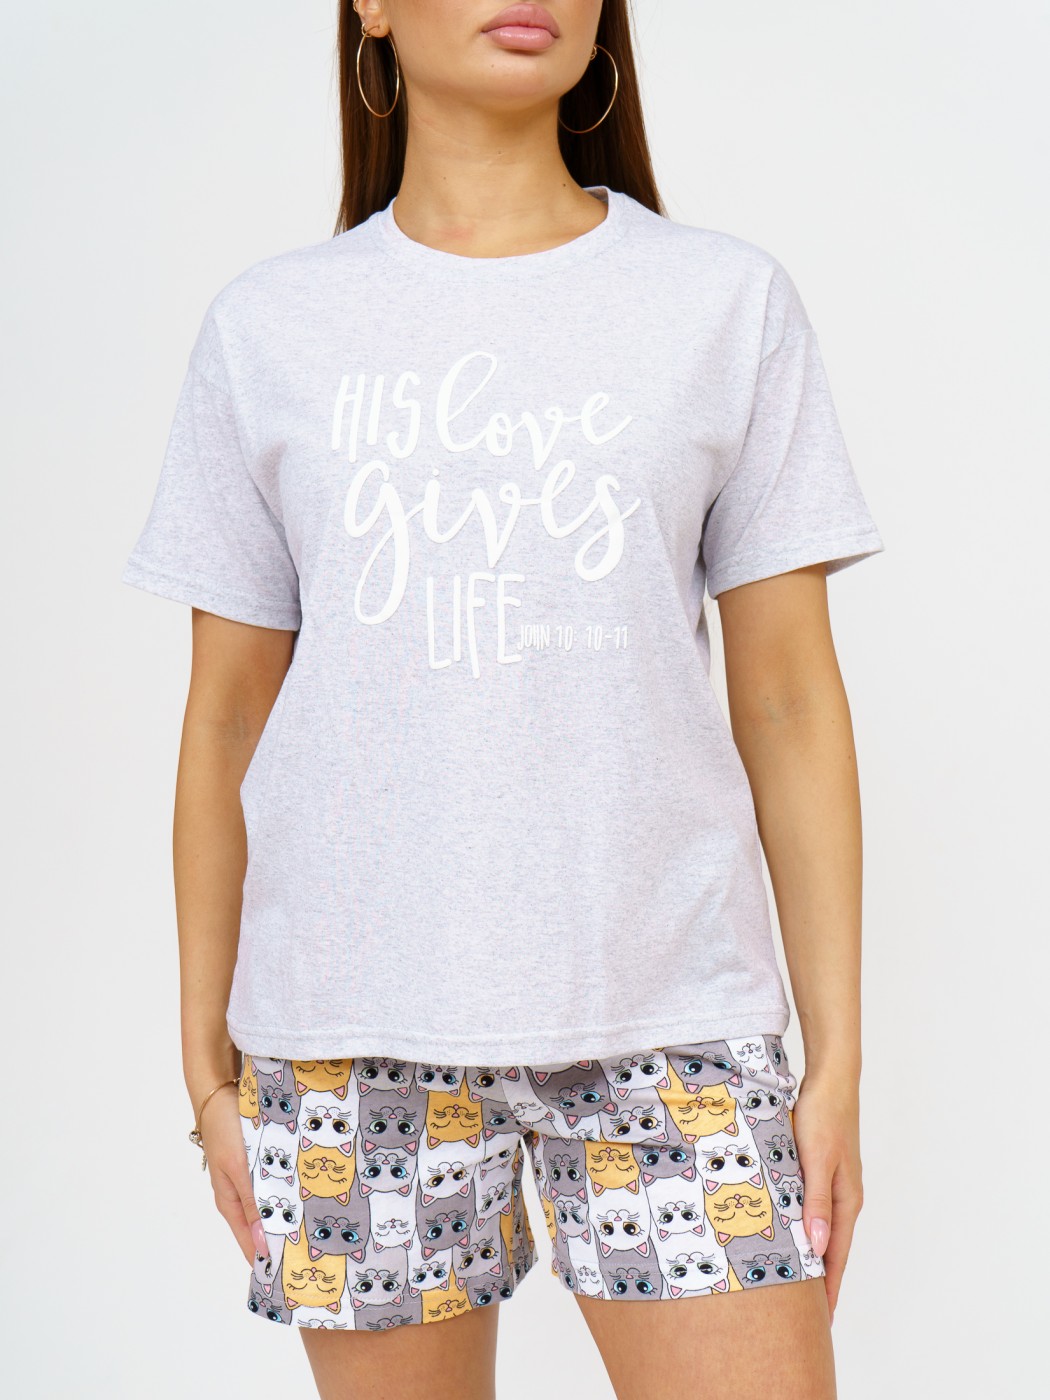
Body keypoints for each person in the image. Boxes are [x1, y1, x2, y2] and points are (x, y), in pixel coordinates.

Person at [121, 2, 883, 1396]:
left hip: (672, 1021)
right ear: (369, 5)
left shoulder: (722, 303)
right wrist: (204, 1071)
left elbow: (786, 698)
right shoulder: (269, 328)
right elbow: (226, 717)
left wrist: (833, 1063)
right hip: (348, 1041)